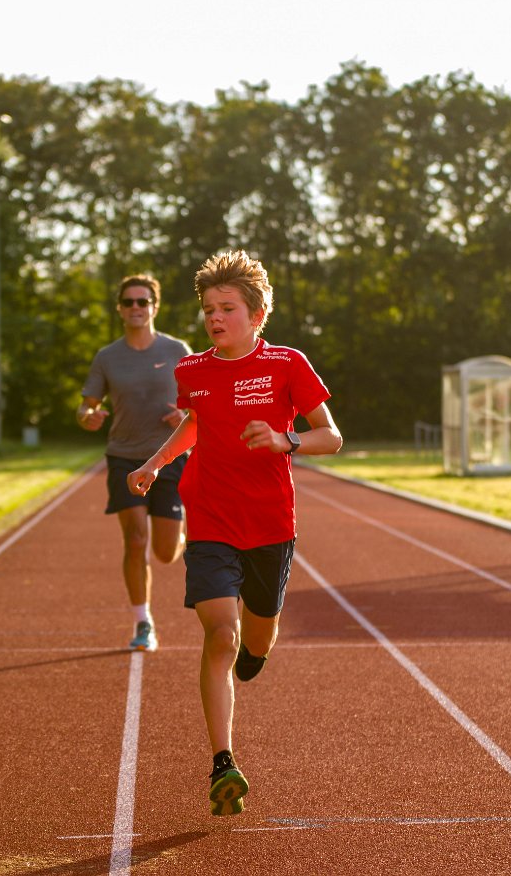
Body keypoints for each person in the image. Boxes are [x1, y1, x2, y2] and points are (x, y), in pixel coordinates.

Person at [128, 250, 342, 816]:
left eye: (226, 308)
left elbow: (331, 437)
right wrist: (154, 464)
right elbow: (196, 423)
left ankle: (257, 648)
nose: (215, 318)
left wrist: (283, 439)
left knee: (257, 640)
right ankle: (223, 762)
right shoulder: (192, 371)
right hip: (211, 519)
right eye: (208, 310)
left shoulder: (288, 364)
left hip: (270, 523)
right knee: (220, 636)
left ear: (257, 314)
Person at [77, 273, 191, 652]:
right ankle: (143, 621)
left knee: (165, 552)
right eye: (129, 302)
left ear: (154, 307)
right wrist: (88, 416)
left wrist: (185, 416)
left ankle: (181, 533)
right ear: (120, 308)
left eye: (143, 302)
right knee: (135, 539)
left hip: (170, 456)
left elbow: (201, 401)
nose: (136, 308)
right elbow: (86, 405)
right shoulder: (107, 357)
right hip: (124, 457)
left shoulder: (177, 350)